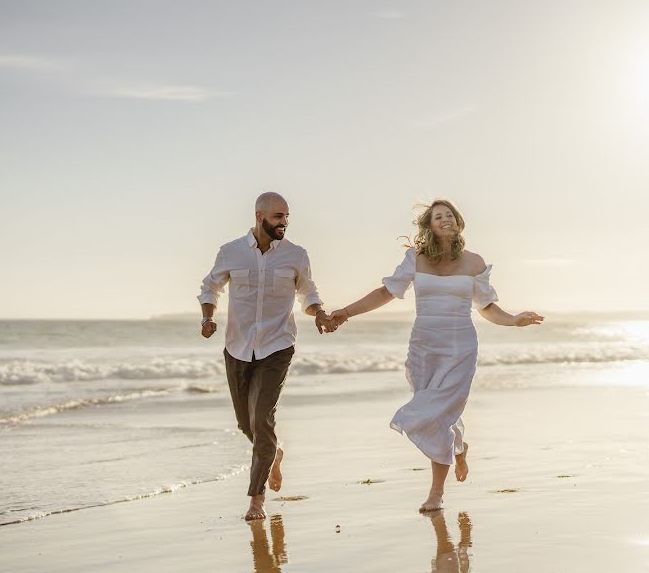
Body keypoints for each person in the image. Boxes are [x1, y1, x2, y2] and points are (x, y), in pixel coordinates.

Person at [330, 200, 544, 511]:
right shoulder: (415, 259)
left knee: (435, 416)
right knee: (435, 413)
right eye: (438, 217)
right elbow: (386, 292)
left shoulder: (473, 262)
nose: (445, 220)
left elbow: (485, 306)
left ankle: (436, 493)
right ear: (429, 226)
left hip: (460, 348)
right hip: (425, 348)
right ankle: (458, 445)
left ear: (459, 221)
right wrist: (346, 312)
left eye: (450, 215)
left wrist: (513, 319)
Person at [198, 191, 337, 521]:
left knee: (261, 420)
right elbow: (210, 287)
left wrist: (318, 312)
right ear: (259, 216)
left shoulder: (296, 255)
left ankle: (256, 499)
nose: (284, 223)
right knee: (246, 424)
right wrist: (208, 317)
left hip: (277, 346)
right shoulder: (231, 252)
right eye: (278, 217)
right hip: (238, 347)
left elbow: (308, 292)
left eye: (287, 216)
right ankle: (274, 452)